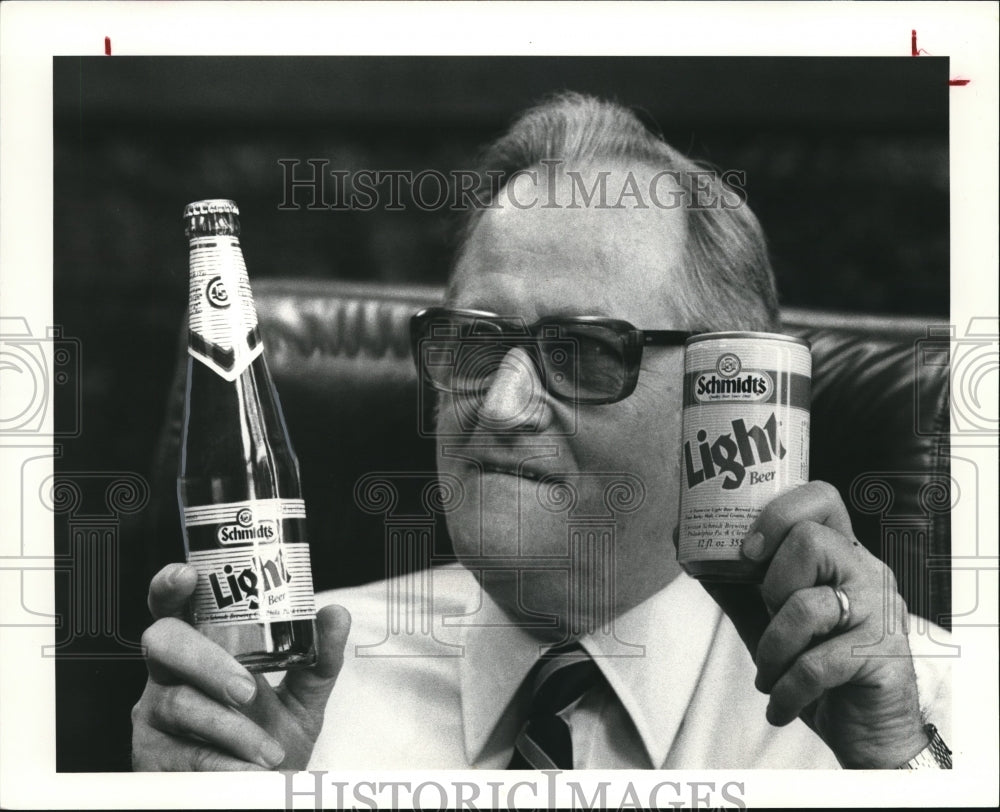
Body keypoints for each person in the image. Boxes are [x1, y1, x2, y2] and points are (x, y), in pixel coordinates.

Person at [131, 92, 951, 771]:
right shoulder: (283, 685)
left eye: (587, 351)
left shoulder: (912, 704)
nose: (498, 407)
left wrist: (893, 773)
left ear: (721, 402)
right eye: (472, 343)